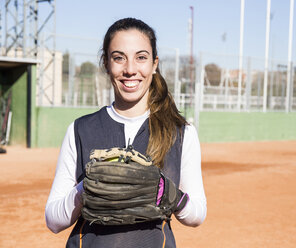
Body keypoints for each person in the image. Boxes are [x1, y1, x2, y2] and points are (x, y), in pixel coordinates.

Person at [45, 17, 207, 247]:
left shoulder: (180, 132)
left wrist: (170, 194)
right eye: (119, 58)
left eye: (141, 57)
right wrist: (85, 188)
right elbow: (53, 220)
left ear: (154, 64)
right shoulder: (81, 129)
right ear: (106, 64)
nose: (130, 69)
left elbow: (197, 215)